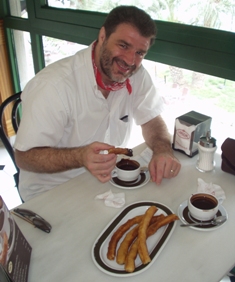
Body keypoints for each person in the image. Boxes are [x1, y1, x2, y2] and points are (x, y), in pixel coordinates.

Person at [14, 5, 181, 202]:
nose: (130, 61)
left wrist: (162, 150)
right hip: (51, 194)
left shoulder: (137, 76)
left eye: (140, 53)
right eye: (124, 45)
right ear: (103, 36)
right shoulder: (54, 86)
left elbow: (152, 120)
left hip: (107, 182)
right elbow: (24, 157)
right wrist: (79, 156)